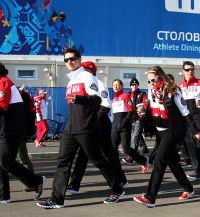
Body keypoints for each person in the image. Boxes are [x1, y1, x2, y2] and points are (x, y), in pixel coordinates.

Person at [38, 48, 125, 208]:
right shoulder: (71, 81)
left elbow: (96, 99)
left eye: (72, 59)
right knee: (63, 162)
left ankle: (117, 189)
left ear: (79, 60)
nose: (69, 62)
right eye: (66, 60)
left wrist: (79, 98)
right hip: (71, 128)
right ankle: (56, 199)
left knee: (98, 160)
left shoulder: (86, 76)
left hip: (86, 127)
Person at [0, 61, 44, 204]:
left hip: (11, 130)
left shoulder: (4, 83)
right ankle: (3, 196)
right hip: (0, 131)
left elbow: (0, 108)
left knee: (6, 162)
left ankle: (36, 181)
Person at [133, 65, 198, 207]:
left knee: (159, 161)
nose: (150, 83)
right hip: (159, 130)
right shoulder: (151, 91)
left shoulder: (172, 90)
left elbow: (185, 111)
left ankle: (150, 197)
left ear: (161, 77)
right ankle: (188, 188)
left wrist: (195, 130)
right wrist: (144, 112)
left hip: (172, 130)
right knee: (172, 161)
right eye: (148, 81)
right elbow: (151, 109)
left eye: (153, 80)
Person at [67, 61, 128, 194]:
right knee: (83, 153)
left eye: (86, 70)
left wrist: (94, 119)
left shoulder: (99, 84)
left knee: (108, 153)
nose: (83, 72)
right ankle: (75, 183)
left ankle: (121, 180)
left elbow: (105, 105)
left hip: (100, 124)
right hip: (88, 125)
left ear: (92, 71)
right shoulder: (83, 83)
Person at [177, 61, 200, 180]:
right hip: (185, 119)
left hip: (198, 118)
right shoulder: (179, 86)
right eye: (187, 70)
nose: (190, 71)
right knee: (189, 144)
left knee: (197, 143)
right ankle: (196, 168)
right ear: (183, 71)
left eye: (192, 69)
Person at [111, 79, 149, 172]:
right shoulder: (114, 98)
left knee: (126, 148)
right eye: (114, 85)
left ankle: (143, 160)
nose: (116, 87)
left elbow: (131, 110)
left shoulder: (125, 96)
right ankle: (115, 167)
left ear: (122, 86)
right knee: (113, 147)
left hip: (124, 127)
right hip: (115, 127)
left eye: (117, 85)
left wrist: (124, 122)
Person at [128, 78, 150, 159]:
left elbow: (146, 104)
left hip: (139, 119)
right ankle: (144, 150)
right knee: (138, 135)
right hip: (131, 119)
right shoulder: (128, 94)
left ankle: (132, 156)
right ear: (130, 86)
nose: (134, 86)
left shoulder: (142, 94)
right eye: (132, 85)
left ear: (138, 85)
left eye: (136, 84)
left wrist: (140, 118)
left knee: (135, 136)